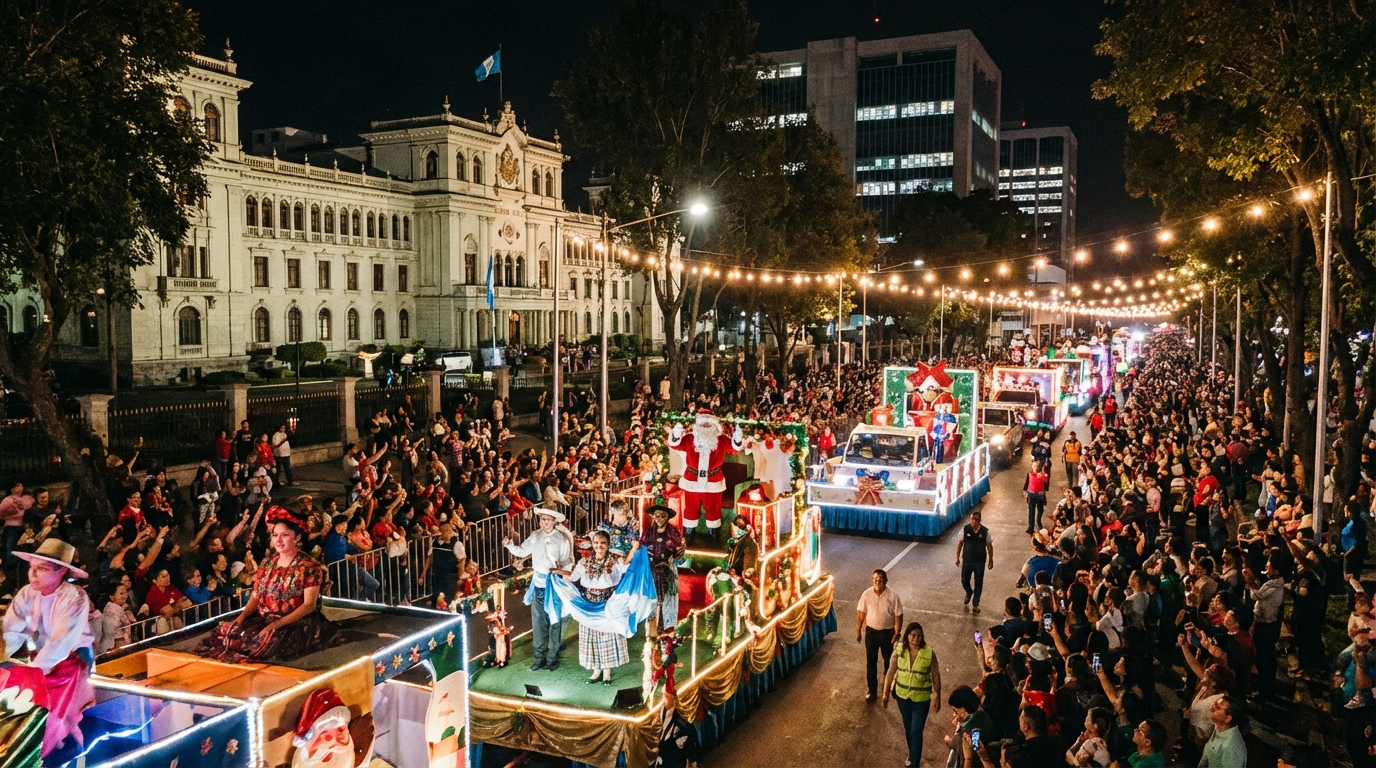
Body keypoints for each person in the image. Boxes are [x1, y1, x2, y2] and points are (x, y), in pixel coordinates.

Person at [195, 506, 333, 663]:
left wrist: (277, 624)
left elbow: (309, 605)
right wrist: (241, 618)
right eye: (275, 535)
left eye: (284, 535)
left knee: (262, 643)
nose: (278, 540)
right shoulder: (267, 565)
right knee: (227, 633)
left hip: (296, 622)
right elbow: (256, 596)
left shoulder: (309, 567)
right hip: (265, 619)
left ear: (297, 537)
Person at [4, 538, 96, 756]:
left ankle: (47, 749)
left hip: (71, 661)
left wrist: (34, 672)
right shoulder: (27, 592)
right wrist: (11, 660)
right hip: (36, 661)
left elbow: (60, 642)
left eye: (42, 569)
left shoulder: (75, 597)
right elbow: (11, 628)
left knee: (50, 711)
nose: (33, 574)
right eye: (31, 567)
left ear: (61, 570)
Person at [504, 508, 574, 671]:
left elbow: (568, 561)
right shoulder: (535, 536)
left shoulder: (561, 538)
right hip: (538, 584)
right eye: (543, 519)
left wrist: (560, 570)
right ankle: (539, 657)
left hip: (554, 584)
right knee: (538, 621)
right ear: (540, 520)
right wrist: (509, 546)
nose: (546, 523)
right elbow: (522, 550)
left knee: (555, 620)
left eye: (549, 520)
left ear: (554, 521)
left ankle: (552, 658)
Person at [556, 530, 628, 685]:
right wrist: (558, 572)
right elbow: (573, 577)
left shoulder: (616, 561)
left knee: (607, 635)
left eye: (602, 543)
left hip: (608, 605)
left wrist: (635, 548)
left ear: (608, 544)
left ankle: (607, 671)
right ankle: (596, 670)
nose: (599, 546)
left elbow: (628, 568)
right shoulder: (585, 562)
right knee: (591, 636)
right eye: (596, 543)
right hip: (589, 605)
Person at [880, 622, 941, 768]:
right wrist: (885, 693)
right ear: (907, 635)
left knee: (916, 730)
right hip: (903, 698)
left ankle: (915, 763)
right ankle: (912, 754)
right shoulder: (899, 650)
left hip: (922, 700)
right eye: (913, 635)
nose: (916, 638)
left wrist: (937, 696)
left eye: (919, 636)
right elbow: (890, 672)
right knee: (909, 729)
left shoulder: (929, 653)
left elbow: (936, 676)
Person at [631, 505, 684, 636]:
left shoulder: (674, 533)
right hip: (651, 571)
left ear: (668, 517)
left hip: (668, 572)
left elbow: (680, 553)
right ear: (653, 516)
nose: (660, 518)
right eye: (657, 516)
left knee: (669, 602)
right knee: (651, 603)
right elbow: (642, 550)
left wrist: (671, 560)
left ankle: (668, 636)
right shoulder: (648, 533)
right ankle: (651, 635)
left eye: (663, 516)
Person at [857, 568, 904, 703]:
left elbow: (898, 615)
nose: (878, 583)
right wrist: (858, 630)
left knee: (889, 662)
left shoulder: (893, 596)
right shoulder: (866, 594)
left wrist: (897, 632)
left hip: (887, 634)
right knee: (871, 662)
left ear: (886, 581)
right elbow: (861, 613)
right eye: (875, 580)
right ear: (872, 580)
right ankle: (872, 691)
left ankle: (888, 687)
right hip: (871, 633)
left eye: (880, 580)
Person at [955, 510, 994, 614]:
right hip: (967, 560)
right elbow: (960, 543)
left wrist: (991, 560)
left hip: (979, 562)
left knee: (978, 583)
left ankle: (976, 604)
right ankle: (969, 592)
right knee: (964, 580)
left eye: (975, 520)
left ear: (979, 521)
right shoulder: (965, 529)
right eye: (971, 519)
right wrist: (957, 557)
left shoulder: (985, 532)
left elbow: (989, 546)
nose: (973, 521)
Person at [1198, 695, 1247, 767]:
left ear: (1227, 719)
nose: (1212, 707)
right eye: (1215, 704)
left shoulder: (1231, 747)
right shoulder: (1219, 728)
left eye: (1217, 707)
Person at [1024, 462, 1050, 534]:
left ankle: (1038, 521)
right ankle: (1031, 527)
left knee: (1040, 509)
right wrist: (1025, 492)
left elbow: (1046, 487)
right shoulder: (1029, 474)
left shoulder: (1043, 475)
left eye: (1036, 466)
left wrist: (1045, 479)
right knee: (1031, 511)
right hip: (1031, 495)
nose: (1035, 467)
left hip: (1040, 496)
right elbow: (1026, 483)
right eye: (1034, 465)